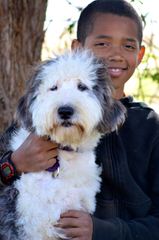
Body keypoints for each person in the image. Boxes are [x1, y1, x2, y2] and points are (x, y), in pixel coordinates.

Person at [0, 0, 159, 239]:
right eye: (102, 43)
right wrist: (13, 164)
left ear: (140, 54)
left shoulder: (149, 126)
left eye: (127, 46)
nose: (115, 54)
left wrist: (104, 231)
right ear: (77, 48)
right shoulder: (39, 121)